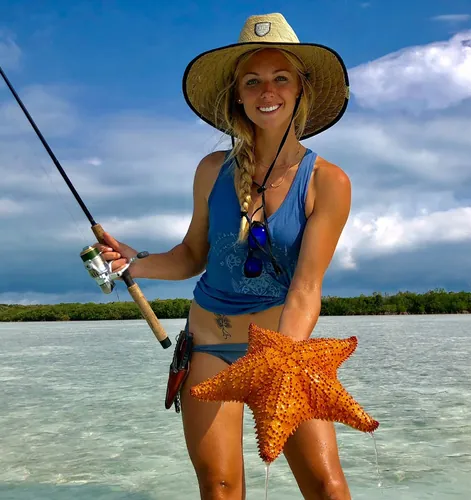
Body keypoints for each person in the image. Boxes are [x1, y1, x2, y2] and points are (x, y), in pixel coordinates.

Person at [95, 12, 352, 500]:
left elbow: (306, 288)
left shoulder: (328, 181)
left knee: (327, 486)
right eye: (252, 81)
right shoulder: (212, 170)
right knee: (219, 487)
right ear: (237, 93)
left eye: (280, 78)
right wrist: (134, 261)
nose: (266, 91)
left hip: (281, 350)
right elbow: (192, 255)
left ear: (301, 87)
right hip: (209, 346)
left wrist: (280, 362)